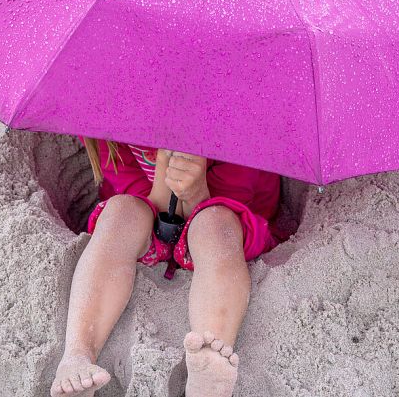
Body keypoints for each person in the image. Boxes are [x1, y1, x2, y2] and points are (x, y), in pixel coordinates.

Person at [49, 135, 285, 396]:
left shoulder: (239, 121)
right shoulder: (111, 114)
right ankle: (78, 352)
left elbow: (236, 197)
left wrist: (196, 192)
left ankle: (210, 358)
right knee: (120, 213)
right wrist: (163, 173)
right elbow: (129, 191)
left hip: (226, 218)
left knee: (216, 225)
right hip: (148, 211)